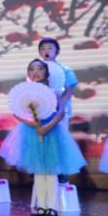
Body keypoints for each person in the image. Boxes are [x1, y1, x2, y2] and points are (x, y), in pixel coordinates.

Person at [0, 59, 86, 216]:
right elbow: (22, 115)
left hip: (52, 134)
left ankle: (51, 208)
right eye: (32, 69)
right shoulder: (26, 94)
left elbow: (61, 113)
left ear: (46, 72)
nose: (35, 72)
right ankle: (41, 207)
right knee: (39, 173)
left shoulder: (53, 92)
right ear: (28, 73)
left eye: (39, 68)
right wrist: (31, 123)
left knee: (50, 172)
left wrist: (46, 128)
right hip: (32, 135)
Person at [38, 37, 79, 184]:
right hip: (42, 111)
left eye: (50, 48)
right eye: (43, 48)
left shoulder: (65, 69)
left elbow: (70, 88)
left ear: (57, 51)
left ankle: (61, 172)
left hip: (60, 111)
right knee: (43, 140)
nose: (46, 51)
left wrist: (60, 104)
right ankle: (43, 170)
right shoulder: (37, 68)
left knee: (60, 140)